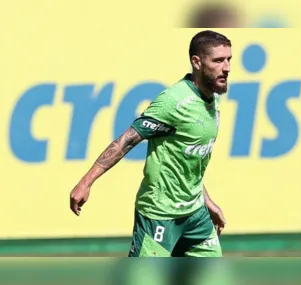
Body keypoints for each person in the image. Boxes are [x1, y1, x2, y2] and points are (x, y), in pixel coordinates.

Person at [70, 30, 232, 257]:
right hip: (159, 214)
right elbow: (125, 142)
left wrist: (207, 201)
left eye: (228, 60)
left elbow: (186, 159)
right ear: (196, 62)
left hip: (196, 217)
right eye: (218, 60)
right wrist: (86, 182)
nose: (226, 67)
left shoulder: (212, 100)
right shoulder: (173, 102)